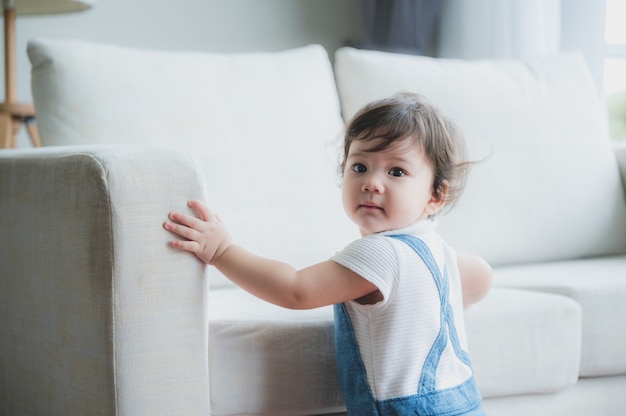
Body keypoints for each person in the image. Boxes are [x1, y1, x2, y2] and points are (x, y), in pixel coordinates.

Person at [164, 92, 492, 415]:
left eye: (396, 172)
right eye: (360, 166)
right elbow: (481, 275)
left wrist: (222, 250)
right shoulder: (438, 250)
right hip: (464, 401)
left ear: (436, 196)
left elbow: (295, 289)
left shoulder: (381, 252)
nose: (372, 183)